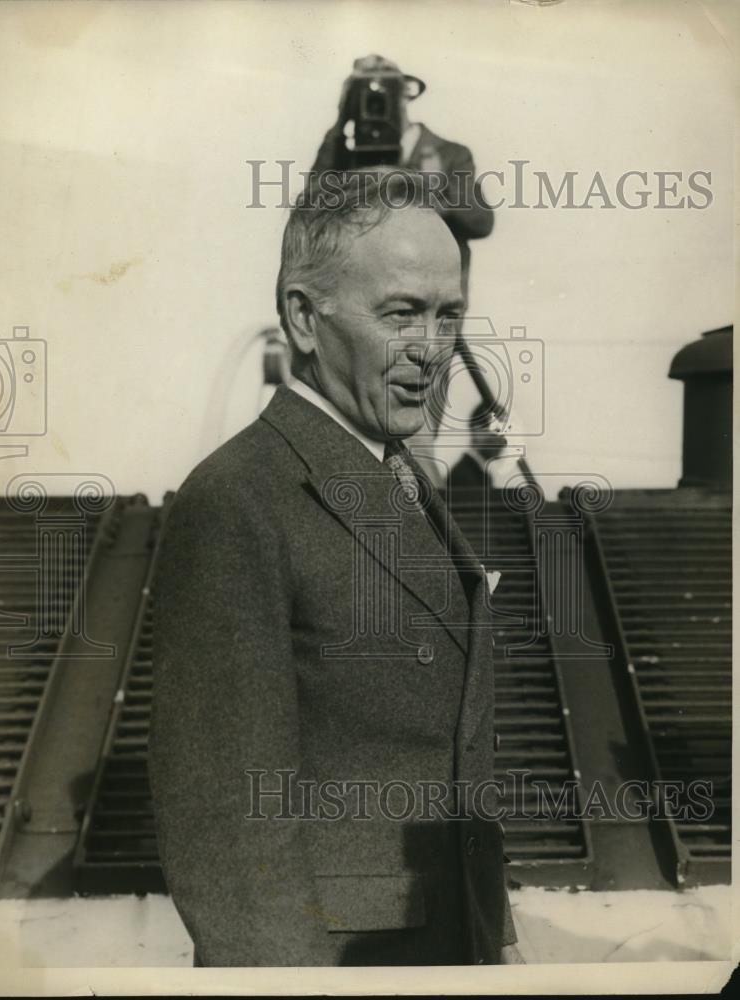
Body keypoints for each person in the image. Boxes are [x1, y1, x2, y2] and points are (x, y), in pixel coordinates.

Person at [148, 172, 523, 967]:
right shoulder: (238, 500)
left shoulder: (398, 476)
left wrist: (499, 945)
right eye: (399, 313)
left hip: (451, 950)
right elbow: (228, 821)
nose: (431, 348)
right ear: (303, 318)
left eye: (446, 314)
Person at [310, 54, 495, 298]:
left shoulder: (450, 155)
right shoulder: (349, 161)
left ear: (407, 93)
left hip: (434, 302)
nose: (376, 103)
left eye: (387, 92)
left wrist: (437, 191)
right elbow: (313, 206)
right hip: (370, 301)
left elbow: (481, 222)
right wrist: (340, 120)